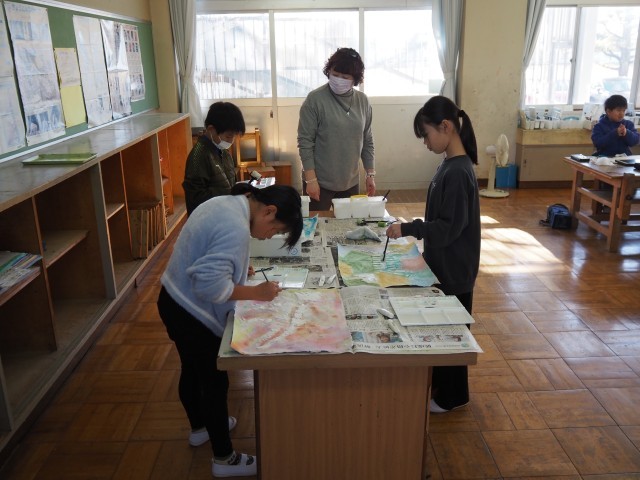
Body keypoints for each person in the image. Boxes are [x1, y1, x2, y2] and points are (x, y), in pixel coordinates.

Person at [157, 183, 303, 477]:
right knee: (213, 383)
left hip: (172, 298)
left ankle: (201, 428)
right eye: (274, 230)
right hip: (191, 312)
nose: (269, 236)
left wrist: (236, 268)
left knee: (192, 370)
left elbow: (206, 253)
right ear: (268, 211)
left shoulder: (227, 203)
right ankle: (224, 459)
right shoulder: (235, 227)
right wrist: (256, 293)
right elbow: (209, 287)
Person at [386, 96, 481, 413]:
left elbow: (450, 227)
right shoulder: (449, 165)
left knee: (453, 332)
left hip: (455, 268)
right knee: (442, 327)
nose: (425, 143)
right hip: (445, 263)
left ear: (446, 127)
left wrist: (409, 228)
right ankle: (442, 384)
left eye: (426, 135)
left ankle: (453, 396)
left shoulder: (458, 171)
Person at [298, 47, 376, 211]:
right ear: (329, 71)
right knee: (317, 223)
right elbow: (305, 142)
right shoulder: (315, 100)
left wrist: (370, 174)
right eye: (335, 74)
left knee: (349, 223)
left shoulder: (362, 101)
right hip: (319, 182)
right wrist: (311, 180)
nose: (339, 79)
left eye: (345, 77)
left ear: (355, 79)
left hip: (350, 181)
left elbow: (367, 140)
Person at [183, 102, 246, 216]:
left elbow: (230, 182)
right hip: (209, 219)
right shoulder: (198, 156)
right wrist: (230, 193)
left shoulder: (223, 151)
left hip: (225, 212)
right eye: (228, 136)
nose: (231, 141)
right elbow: (196, 199)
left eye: (234, 136)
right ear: (211, 129)